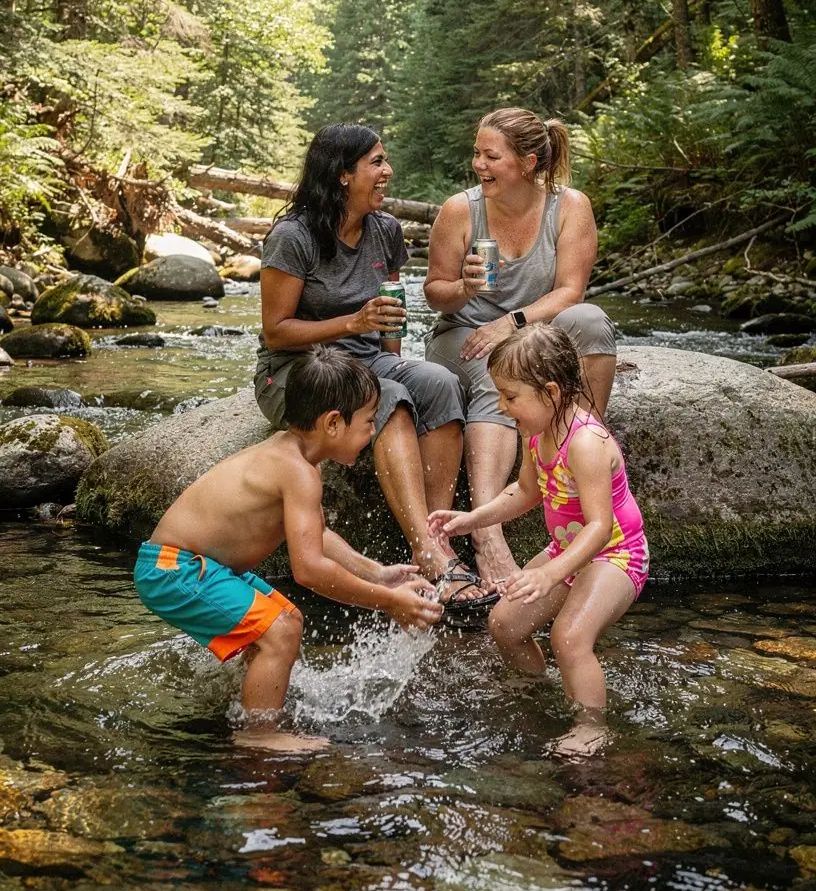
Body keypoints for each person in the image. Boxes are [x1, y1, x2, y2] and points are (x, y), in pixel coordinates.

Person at [135, 347, 443, 752]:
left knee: (288, 620)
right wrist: (388, 601)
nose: (372, 433)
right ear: (333, 423)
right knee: (279, 632)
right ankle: (258, 735)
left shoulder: (296, 457)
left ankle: (248, 698)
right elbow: (309, 570)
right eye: (369, 422)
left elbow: (317, 535)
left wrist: (378, 574)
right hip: (175, 570)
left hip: (197, 566)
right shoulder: (297, 472)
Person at [254, 123, 496, 617]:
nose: (388, 171)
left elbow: (390, 308)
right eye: (377, 163)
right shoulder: (293, 236)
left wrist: (392, 351)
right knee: (387, 396)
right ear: (343, 175)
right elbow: (276, 331)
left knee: (440, 383)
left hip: (367, 360)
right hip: (299, 370)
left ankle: (438, 537)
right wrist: (352, 322)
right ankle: (427, 554)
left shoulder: (385, 230)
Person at [428, 324, 648, 757]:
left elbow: (600, 526)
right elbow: (526, 491)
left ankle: (591, 728)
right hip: (568, 551)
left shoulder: (585, 442)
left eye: (510, 396)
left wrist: (550, 574)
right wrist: (473, 519)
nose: (502, 406)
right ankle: (536, 690)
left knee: (569, 637)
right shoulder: (536, 433)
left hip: (616, 555)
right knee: (505, 625)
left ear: (550, 392)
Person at [424, 107, 616, 585]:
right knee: (498, 375)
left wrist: (512, 323)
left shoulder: (570, 206)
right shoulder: (459, 210)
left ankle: (581, 447)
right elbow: (434, 293)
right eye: (477, 154)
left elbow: (571, 291)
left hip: (530, 329)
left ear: (528, 163)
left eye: (491, 156)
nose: (479, 165)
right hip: (465, 333)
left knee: (590, 321)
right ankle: (487, 534)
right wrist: (463, 288)